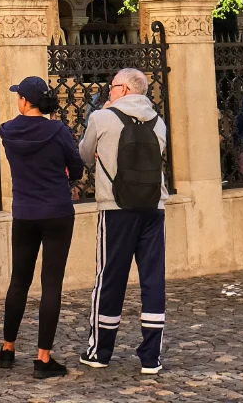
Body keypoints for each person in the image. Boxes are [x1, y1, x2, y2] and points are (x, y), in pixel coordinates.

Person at [79, 67, 169, 376]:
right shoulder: (159, 123)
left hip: (116, 208)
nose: (109, 91)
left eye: (113, 86)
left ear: (127, 90)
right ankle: (151, 357)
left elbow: (85, 155)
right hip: (154, 208)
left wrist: (102, 114)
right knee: (153, 279)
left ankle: (99, 351)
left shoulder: (102, 118)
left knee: (110, 278)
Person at [0, 76, 83, 379]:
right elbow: (76, 168)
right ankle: (43, 358)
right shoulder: (58, 131)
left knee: (19, 280)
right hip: (57, 211)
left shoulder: (7, 131)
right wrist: (63, 172)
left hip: (24, 212)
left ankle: (8, 348)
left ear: (24, 101)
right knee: (51, 284)